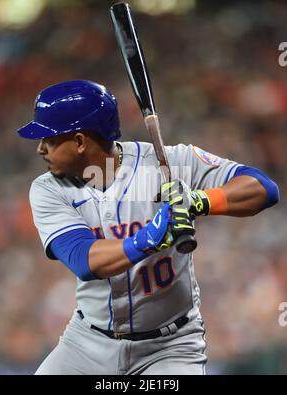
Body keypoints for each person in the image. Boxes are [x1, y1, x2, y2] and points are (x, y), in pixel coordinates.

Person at [18, 79, 279, 375]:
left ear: (80, 142)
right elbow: (84, 260)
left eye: (49, 139)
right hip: (87, 342)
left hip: (170, 346)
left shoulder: (168, 162)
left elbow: (264, 188)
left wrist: (199, 201)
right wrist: (147, 239)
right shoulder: (47, 189)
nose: (40, 149)